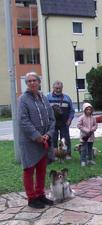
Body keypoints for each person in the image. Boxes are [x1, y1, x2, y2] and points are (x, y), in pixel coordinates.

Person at [18, 72, 55, 209]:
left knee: (41, 169)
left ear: (39, 82)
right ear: (26, 84)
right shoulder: (23, 99)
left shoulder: (44, 98)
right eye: (29, 81)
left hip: (44, 140)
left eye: (34, 80)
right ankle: (31, 198)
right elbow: (23, 120)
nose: (32, 83)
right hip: (30, 141)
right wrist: (36, 136)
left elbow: (52, 119)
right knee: (29, 169)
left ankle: (40, 195)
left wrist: (48, 134)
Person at [47, 81, 75, 161]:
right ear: (53, 88)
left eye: (60, 88)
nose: (58, 90)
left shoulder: (67, 98)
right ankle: (54, 155)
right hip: (52, 123)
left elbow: (72, 111)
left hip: (64, 123)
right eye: (56, 88)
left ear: (62, 88)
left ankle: (67, 154)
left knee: (65, 139)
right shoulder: (48, 98)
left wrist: (69, 120)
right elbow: (44, 110)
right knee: (53, 139)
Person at [77, 102, 97, 167]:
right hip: (84, 136)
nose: (88, 111)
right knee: (83, 149)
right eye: (87, 109)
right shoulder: (81, 117)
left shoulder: (93, 118)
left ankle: (90, 159)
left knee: (90, 148)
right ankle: (83, 161)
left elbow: (95, 125)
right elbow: (79, 125)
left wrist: (92, 129)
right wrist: (86, 130)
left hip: (91, 136)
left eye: (90, 109)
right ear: (84, 110)